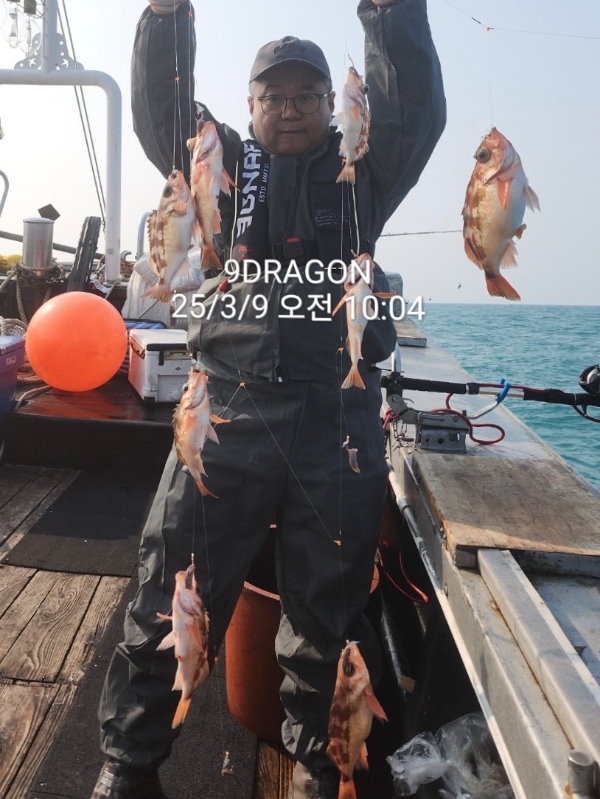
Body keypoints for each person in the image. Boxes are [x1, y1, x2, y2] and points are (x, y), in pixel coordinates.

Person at [92, 1, 445, 797]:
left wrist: (391, 15)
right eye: (272, 96)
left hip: (337, 416)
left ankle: (326, 768)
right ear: (248, 106)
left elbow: (414, 108)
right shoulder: (217, 165)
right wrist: (165, 14)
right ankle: (128, 763)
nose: (289, 109)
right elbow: (160, 108)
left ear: (331, 105)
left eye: (306, 95)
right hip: (226, 410)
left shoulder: (365, 171)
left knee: (329, 609)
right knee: (172, 586)